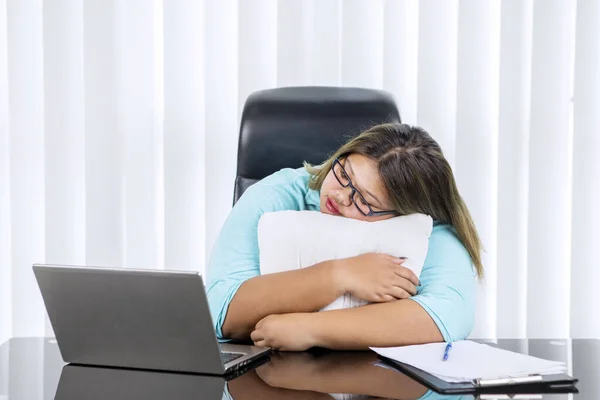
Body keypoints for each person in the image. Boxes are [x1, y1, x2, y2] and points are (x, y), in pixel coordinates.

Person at [206, 123, 483, 351]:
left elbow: (449, 314)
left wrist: (311, 329)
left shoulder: (427, 225)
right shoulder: (276, 194)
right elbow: (222, 310)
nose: (340, 196)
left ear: (403, 214)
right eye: (344, 173)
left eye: (364, 201)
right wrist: (340, 276)